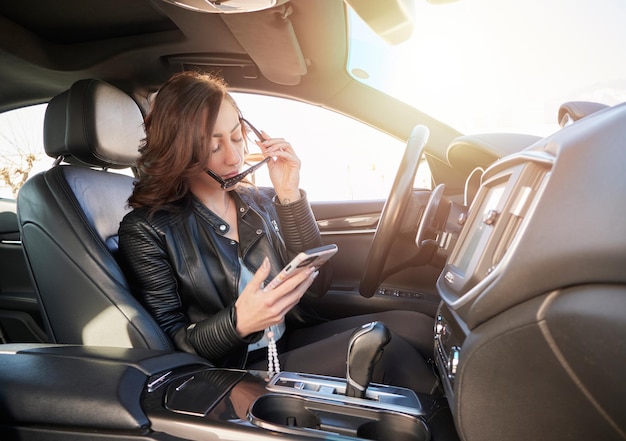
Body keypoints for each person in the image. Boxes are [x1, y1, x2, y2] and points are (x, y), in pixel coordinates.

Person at [117, 71, 438, 394]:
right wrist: (238, 322)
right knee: (389, 354)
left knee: (419, 327)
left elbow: (318, 288)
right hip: (235, 367)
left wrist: (289, 196)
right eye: (214, 146)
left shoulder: (259, 199)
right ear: (180, 149)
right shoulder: (146, 229)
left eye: (237, 137)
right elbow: (167, 343)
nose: (233, 156)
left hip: (287, 340)